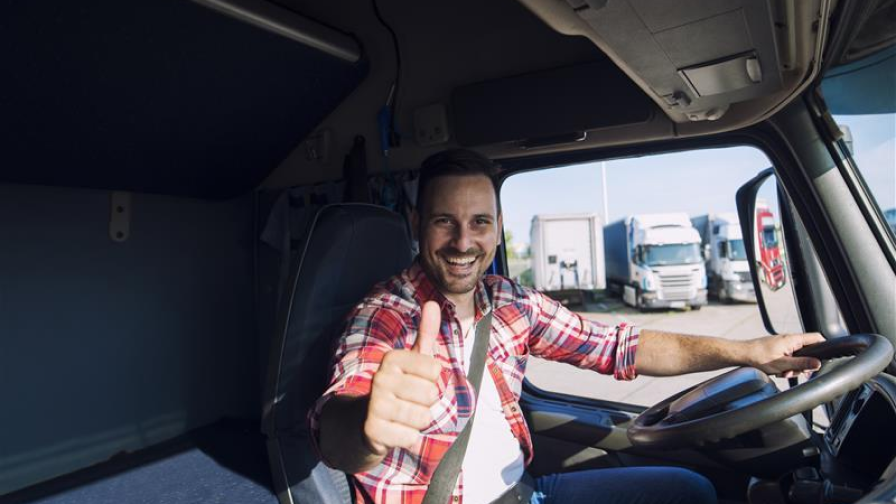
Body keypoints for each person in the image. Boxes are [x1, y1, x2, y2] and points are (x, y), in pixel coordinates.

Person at [310, 149, 824, 504]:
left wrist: (750, 352)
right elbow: (336, 430)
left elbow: (619, 346)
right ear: (416, 223)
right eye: (445, 220)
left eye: (480, 222)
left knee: (691, 491)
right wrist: (367, 427)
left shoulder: (508, 301)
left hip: (526, 493)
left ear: (498, 228)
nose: (463, 242)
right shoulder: (386, 314)